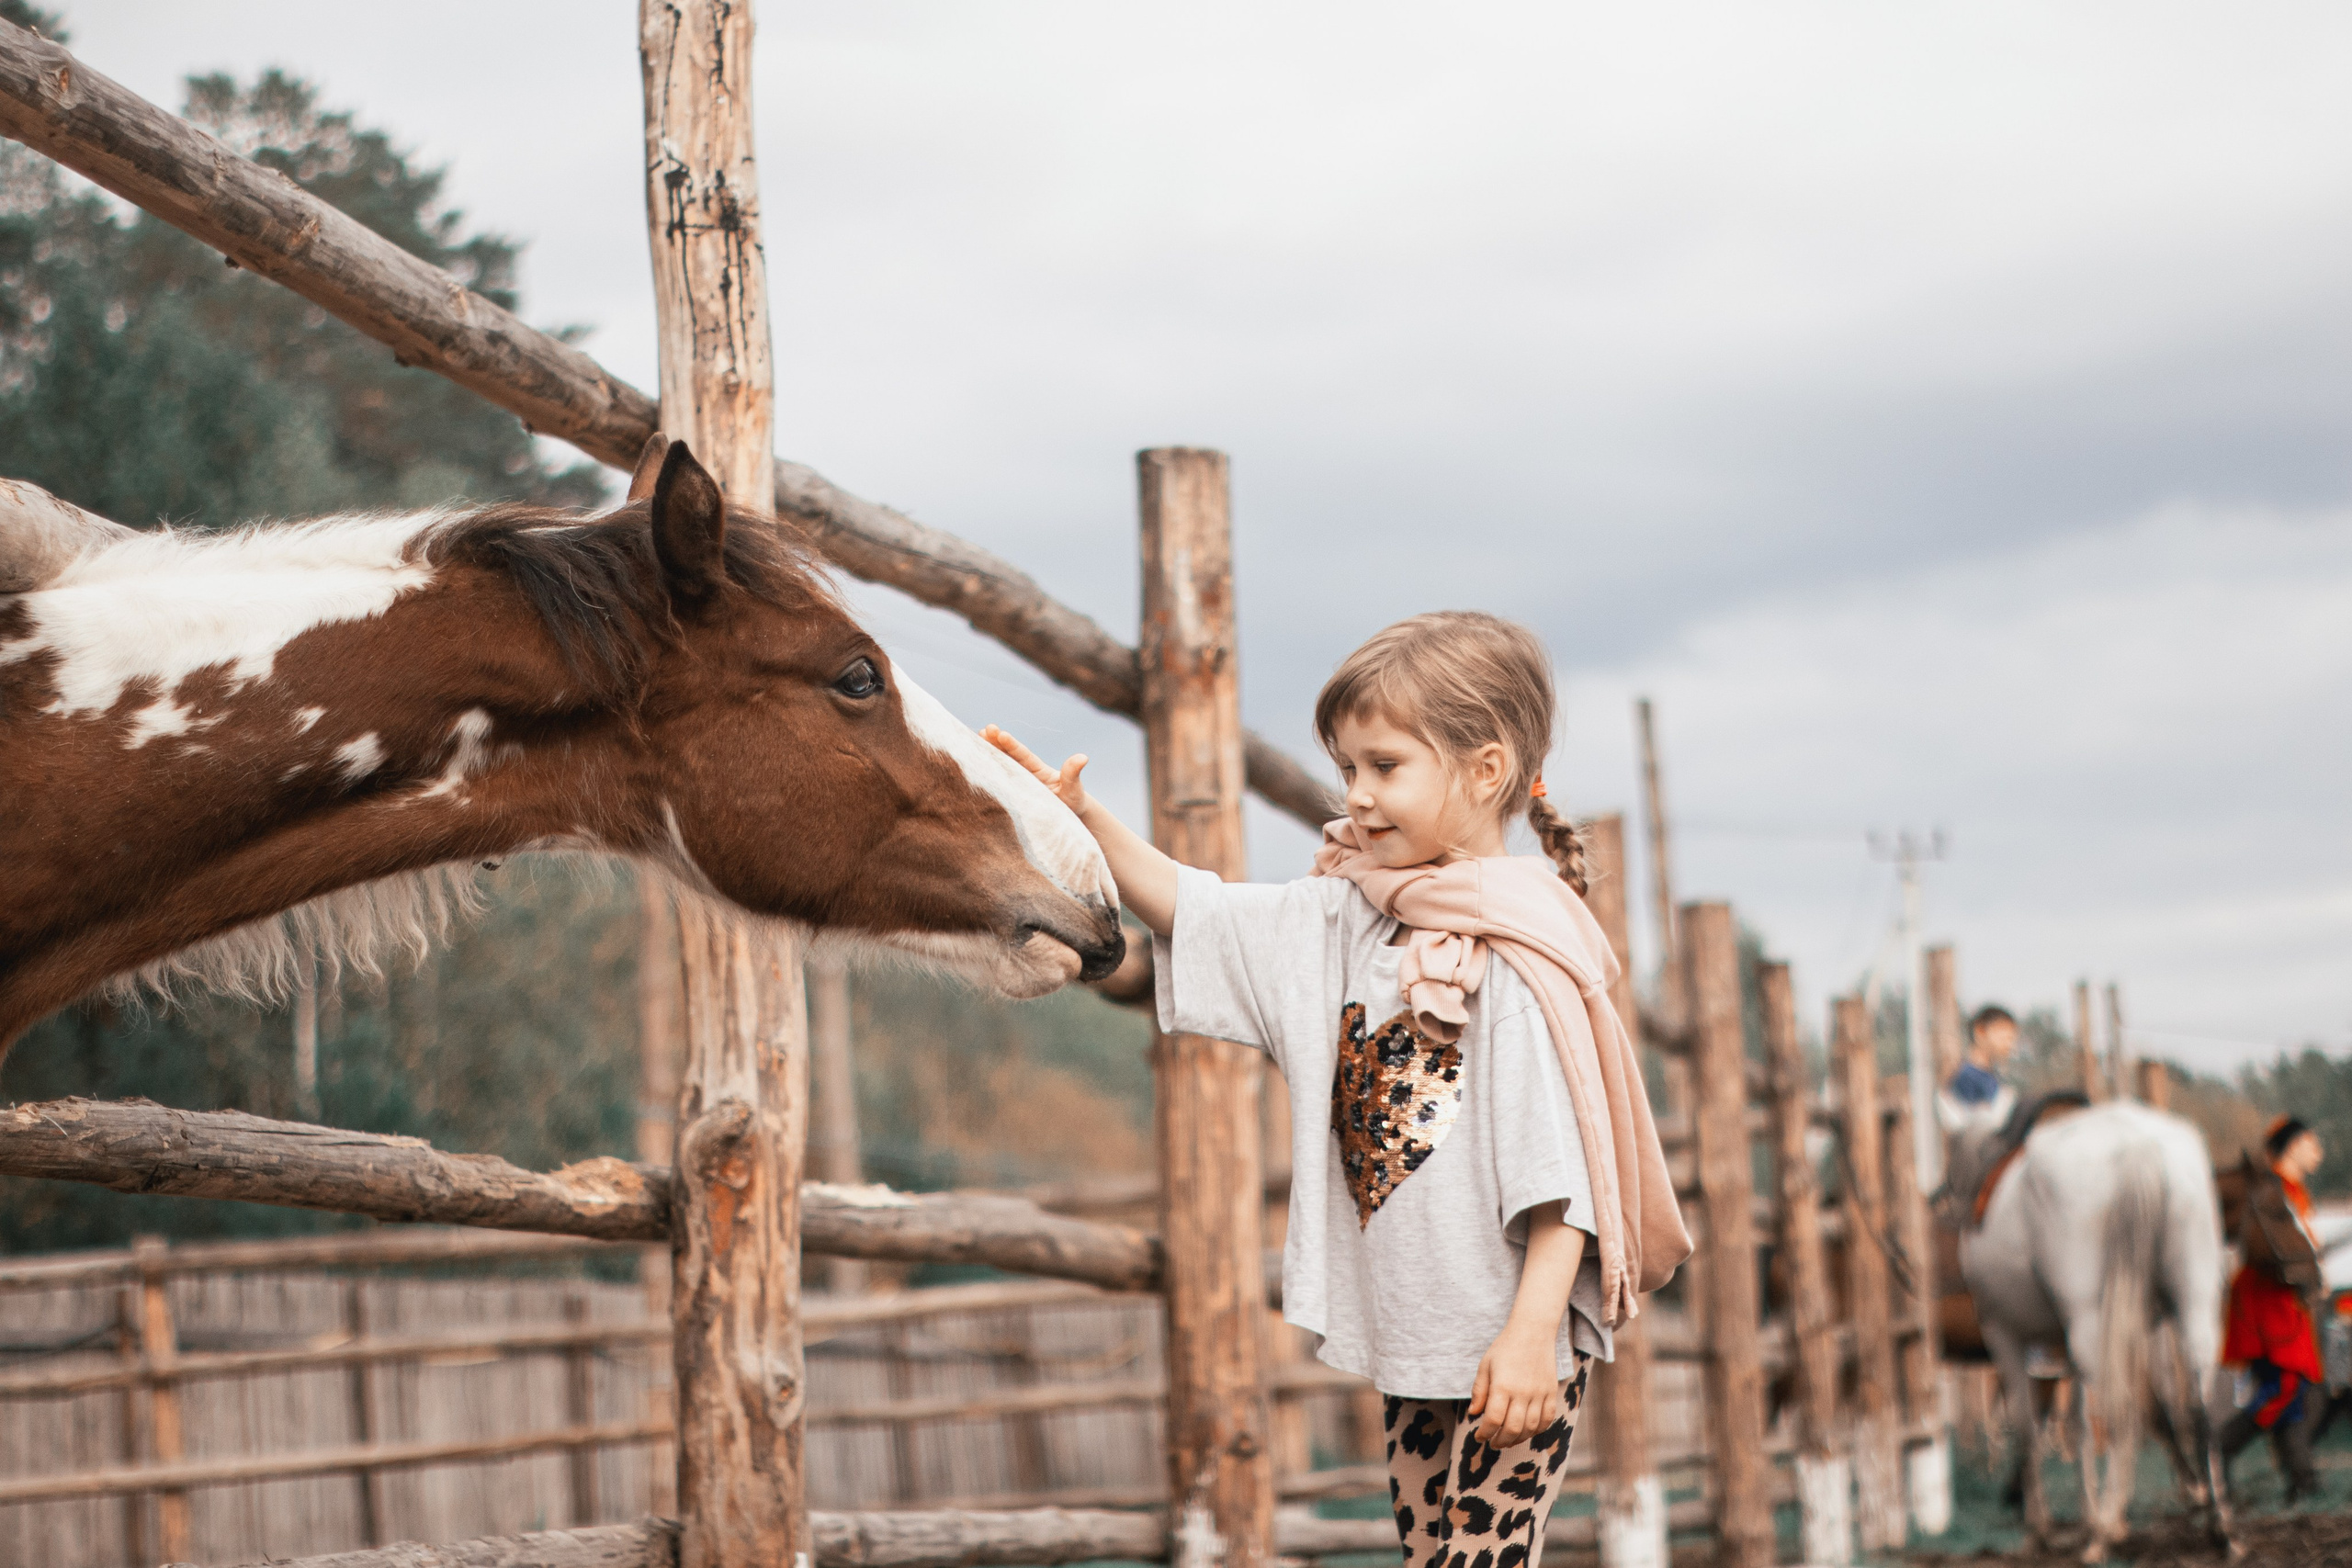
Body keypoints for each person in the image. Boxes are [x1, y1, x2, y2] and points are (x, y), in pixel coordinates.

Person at [987, 611, 1690, 1568]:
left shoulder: (1518, 957)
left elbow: (1563, 1173)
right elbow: (1195, 907)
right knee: (1430, 1558)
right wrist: (1082, 818)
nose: (1355, 797)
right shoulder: (1347, 917)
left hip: (1508, 1347)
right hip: (1419, 1339)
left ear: (1483, 772)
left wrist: (1530, 1337)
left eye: (1384, 768)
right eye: (1347, 769)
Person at [2219, 1115, 2327, 1504]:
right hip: (2267, 1304)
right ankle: (2220, 1451)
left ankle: (2301, 1478)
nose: (2318, 1150)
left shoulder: (2295, 1192)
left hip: (2288, 1304)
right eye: (2311, 1141)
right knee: (2284, 1389)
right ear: (2293, 1144)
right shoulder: (2270, 1192)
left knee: (2302, 1393)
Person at [1935, 1004, 2018, 1138]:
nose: (2009, 1044)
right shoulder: (1967, 1077)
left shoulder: (1991, 1077)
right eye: (2003, 1036)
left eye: (2011, 1038)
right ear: (1980, 1032)